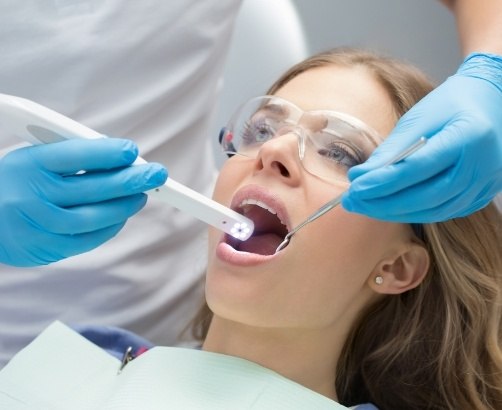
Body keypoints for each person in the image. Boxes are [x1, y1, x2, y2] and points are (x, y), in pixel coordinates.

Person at [0, 0, 501, 368]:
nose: (274, 150)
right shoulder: (80, 363)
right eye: (263, 129)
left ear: (396, 267)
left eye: (340, 152)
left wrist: (493, 72)